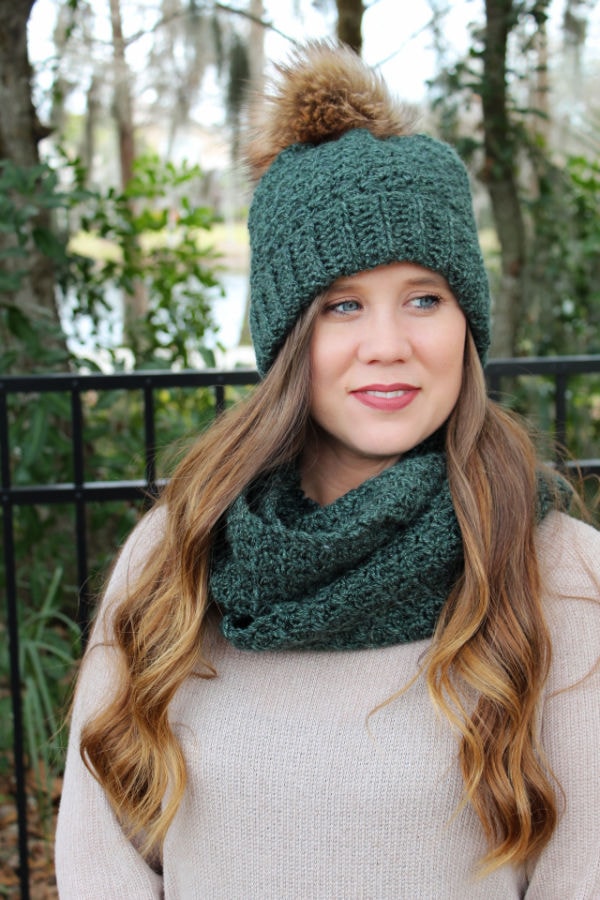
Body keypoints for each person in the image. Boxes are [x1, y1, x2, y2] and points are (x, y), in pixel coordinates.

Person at [55, 42, 600, 898]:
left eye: (425, 297)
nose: (389, 345)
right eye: (342, 305)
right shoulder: (177, 553)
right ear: (285, 339)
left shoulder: (563, 573)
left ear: (467, 322)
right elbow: (100, 854)